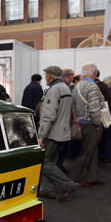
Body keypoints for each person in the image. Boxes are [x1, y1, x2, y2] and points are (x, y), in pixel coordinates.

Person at [37, 66, 77, 202]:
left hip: (53, 133)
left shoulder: (54, 90)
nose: (45, 77)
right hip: (63, 132)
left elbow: (48, 115)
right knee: (51, 161)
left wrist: (41, 135)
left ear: (51, 76)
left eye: (46, 74)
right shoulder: (66, 88)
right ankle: (47, 189)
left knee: (44, 161)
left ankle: (68, 184)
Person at [71, 63, 106, 187]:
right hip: (91, 124)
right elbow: (94, 108)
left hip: (82, 123)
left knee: (92, 150)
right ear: (95, 73)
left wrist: (77, 120)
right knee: (87, 152)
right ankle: (71, 180)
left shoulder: (77, 86)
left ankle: (92, 177)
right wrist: (97, 123)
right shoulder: (92, 86)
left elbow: (73, 106)